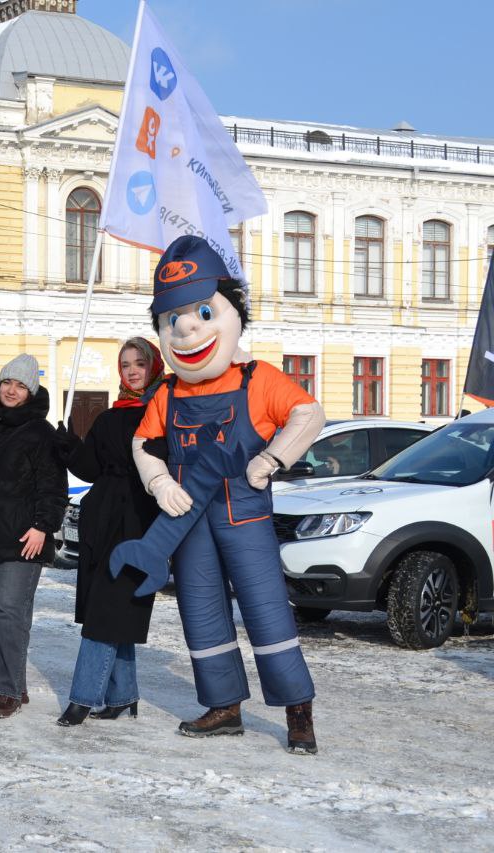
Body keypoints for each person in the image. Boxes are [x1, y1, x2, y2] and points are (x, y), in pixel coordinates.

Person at [116, 235, 325, 754]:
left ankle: (298, 711)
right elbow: (143, 443)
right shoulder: (167, 393)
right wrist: (160, 482)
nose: (186, 330)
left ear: (231, 314)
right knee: (201, 613)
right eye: (172, 321)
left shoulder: (258, 379)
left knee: (267, 612)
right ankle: (224, 705)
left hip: (244, 516)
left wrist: (271, 459)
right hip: (188, 526)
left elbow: (308, 414)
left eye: (203, 313)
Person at [55, 338, 165, 727]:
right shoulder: (109, 415)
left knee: (107, 611)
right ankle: (122, 696)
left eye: (139, 363)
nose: (132, 370)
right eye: (126, 365)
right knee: (110, 610)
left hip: (138, 522)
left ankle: (83, 699)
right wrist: (67, 442)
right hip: (100, 521)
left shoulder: (164, 411)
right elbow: (89, 468)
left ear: (153, 366)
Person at [0, 354, 65, 719]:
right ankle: (8, 683)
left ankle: (6, 691)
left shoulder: (40, 432)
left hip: (25, 538)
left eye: (20, 385)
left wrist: (43, 526)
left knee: (10, 613)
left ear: (30, 392)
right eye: (7, 382)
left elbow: (53, 487)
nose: (11, 390)